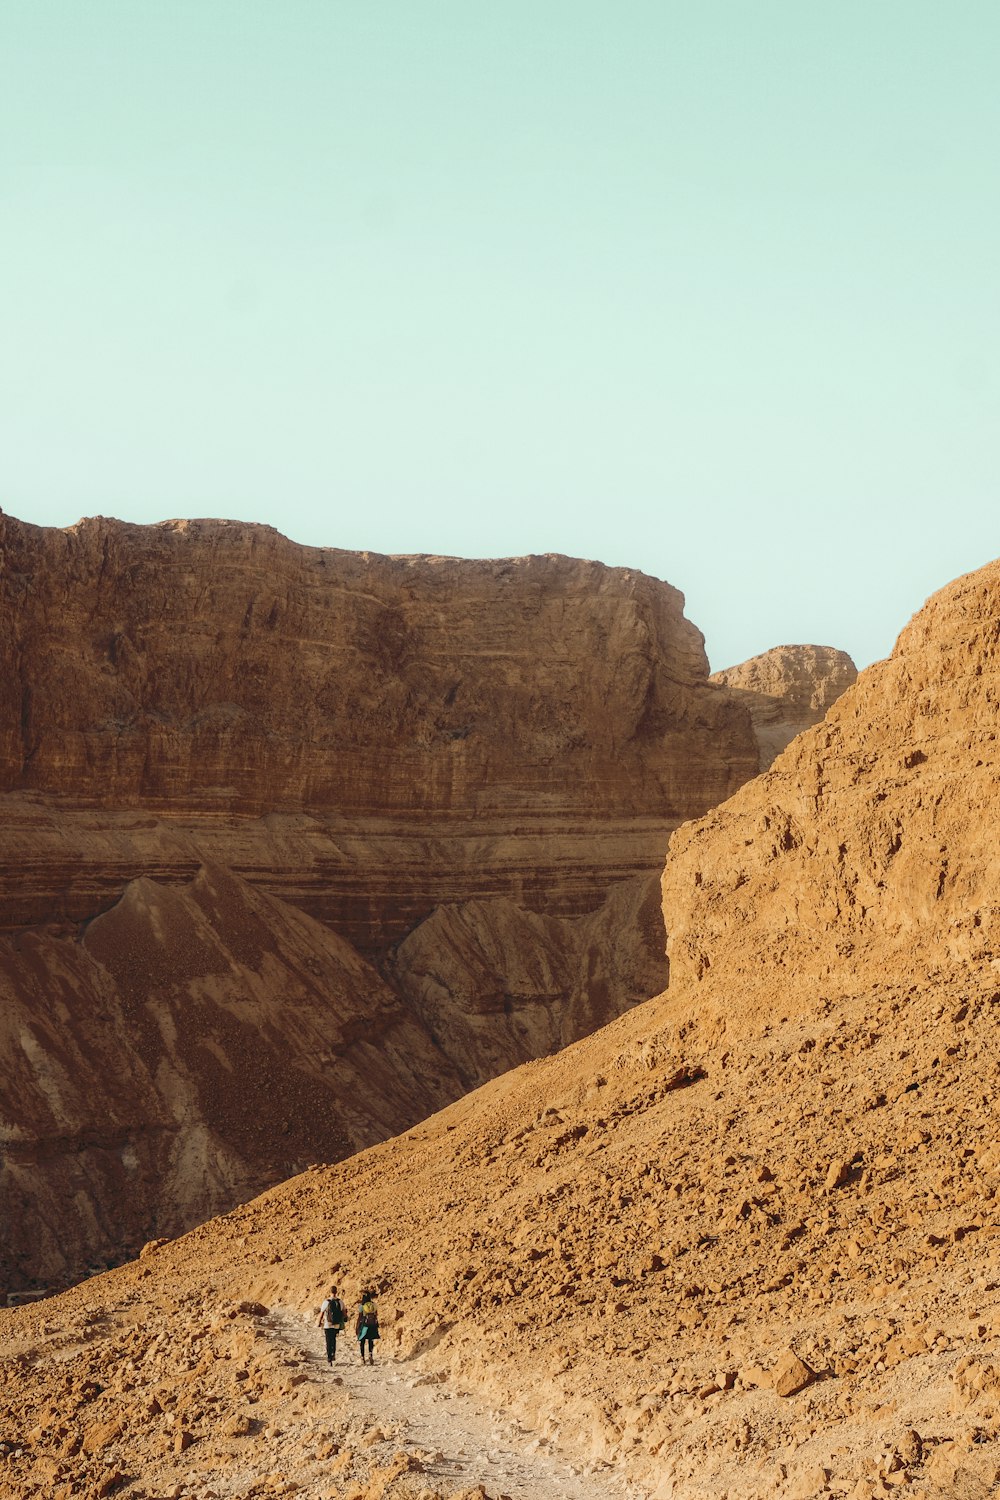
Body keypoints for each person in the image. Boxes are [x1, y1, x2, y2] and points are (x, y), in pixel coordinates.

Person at [317, 1285, 346, 1364]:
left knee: (328, 1341)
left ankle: (329, 1358)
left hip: (327, 1324)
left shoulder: (326, 1302)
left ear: (330, 1292)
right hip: (336, 1324)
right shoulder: (340, 1302)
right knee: (333, 1340)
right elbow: (344, 1313)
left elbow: (322, 1313)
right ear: (336, 1292)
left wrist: (319, 1322)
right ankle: (333, 1354)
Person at [355, 1288, 380, 1364]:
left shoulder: (361, 1306)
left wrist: (357, 1327)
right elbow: (376, 1314)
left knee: (362, 1341)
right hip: (372, 1325)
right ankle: (370, 1355)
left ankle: (362, 1357)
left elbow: (360, 1316)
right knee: (370, 1340)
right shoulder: (374, 1305)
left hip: (364, 1325)